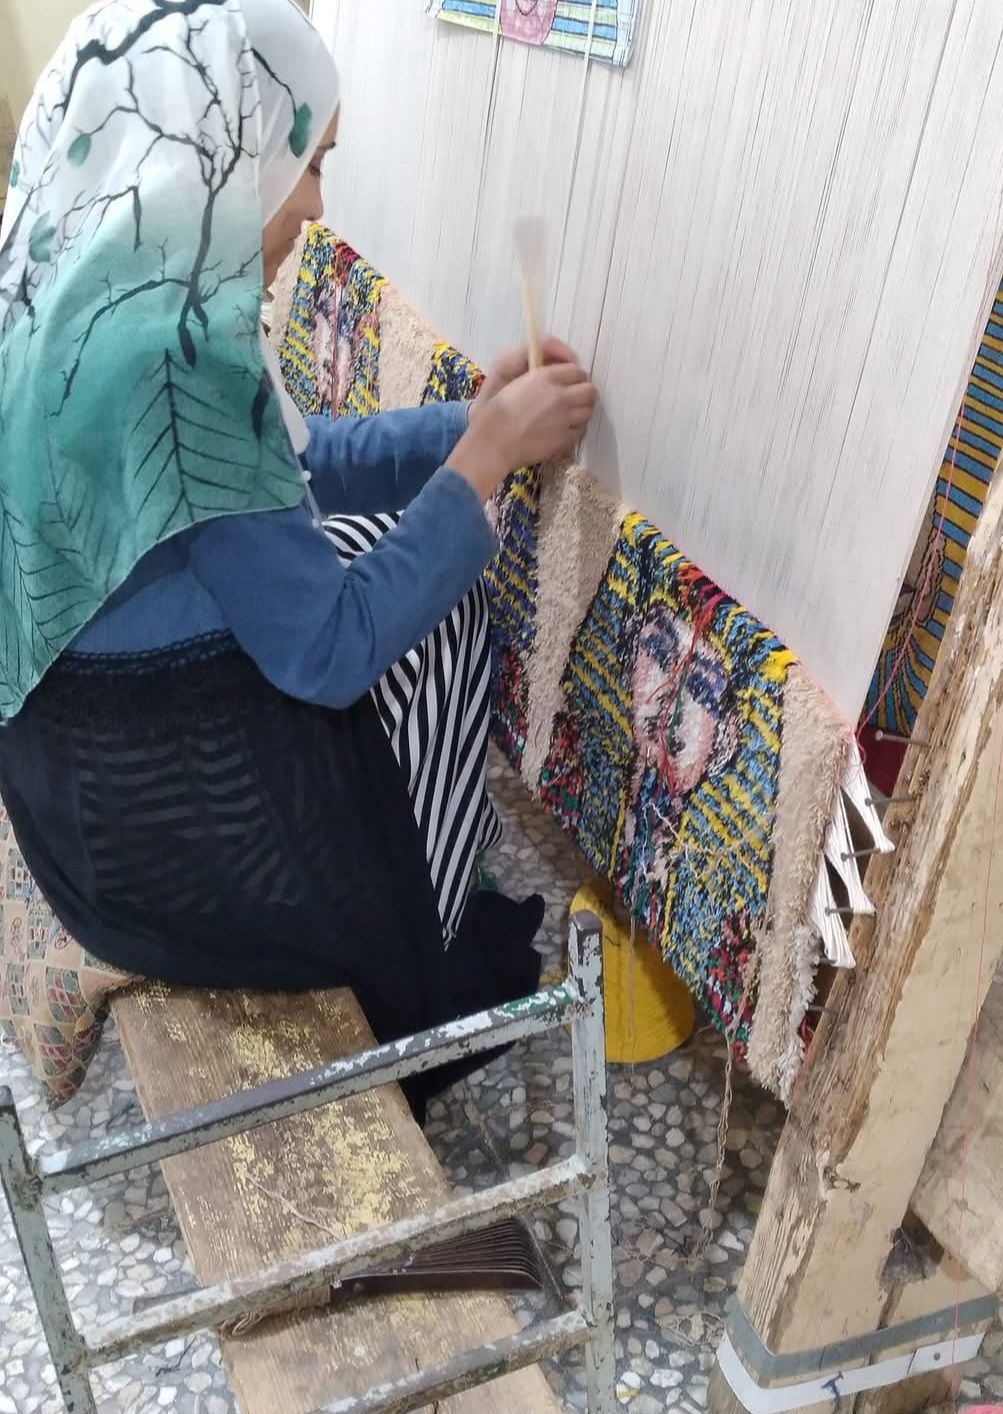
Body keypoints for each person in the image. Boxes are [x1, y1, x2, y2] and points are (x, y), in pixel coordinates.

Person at [0, 0, 596, 1118]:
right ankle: (410, 913)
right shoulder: (178, 353)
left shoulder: (72, 285)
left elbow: (299, 462)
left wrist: (474, 422)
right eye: (306, 161)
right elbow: (326, 649)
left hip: (74, 815)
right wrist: (478, 471)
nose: (317, 206)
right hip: (185, 857)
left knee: (385, 540)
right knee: (439, 598)